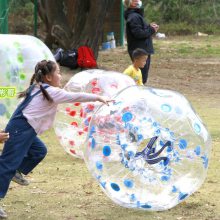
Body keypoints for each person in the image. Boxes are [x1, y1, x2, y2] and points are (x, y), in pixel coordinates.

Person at [0, 60, 112, 218]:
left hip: (25, 128)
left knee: (39, 151)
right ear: (48, 77)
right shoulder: (51, 91)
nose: (60, 75)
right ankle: (8, 176)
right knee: (7, 164)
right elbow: (75, 96)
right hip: (21, 129)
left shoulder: (39, 87)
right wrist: (98, 97)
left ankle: (15, 171)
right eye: (58, 72)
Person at [123, 0, 159, 84]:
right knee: (140, 78)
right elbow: (139, 34)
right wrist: (152, 30)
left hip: (142, 49)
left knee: (141, 77)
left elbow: (140, 29)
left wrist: (149, 27)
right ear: (131, 3)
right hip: (140, 50)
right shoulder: (134, 17)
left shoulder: (135, 15)